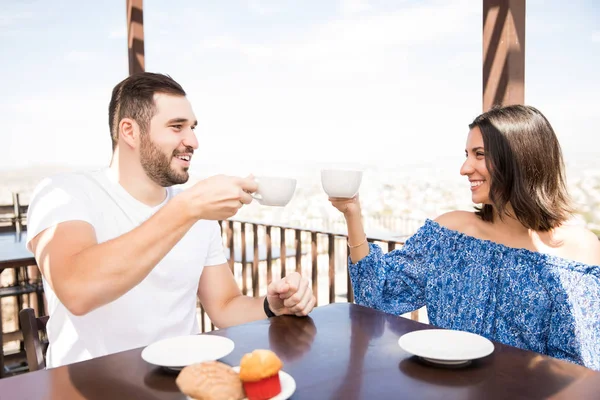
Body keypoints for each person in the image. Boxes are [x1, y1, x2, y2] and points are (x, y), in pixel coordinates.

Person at [26, 72, 316, 368]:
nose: (193, 141)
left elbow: (225, 306)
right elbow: (78, 290)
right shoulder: (64, 193)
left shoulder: (195, 211)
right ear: (130, 131)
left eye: (192, 128)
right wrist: (188, 208)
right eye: (177, 127)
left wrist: (272, 306)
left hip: (182, 385)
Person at [329, 104, 600, 370]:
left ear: (519, 158)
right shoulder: (450, 233)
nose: (464, 168)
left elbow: (579, 368)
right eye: (467, 154)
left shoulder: (578, 250)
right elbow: (377, 296)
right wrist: (353, 214)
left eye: (479, 154)